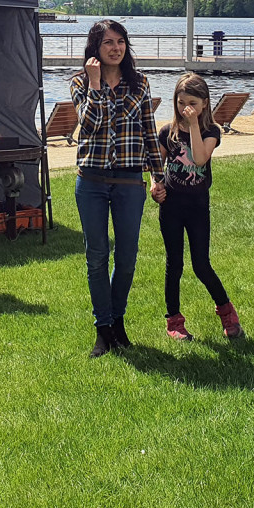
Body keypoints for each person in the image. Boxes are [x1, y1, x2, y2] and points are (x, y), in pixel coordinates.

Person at [71, 20, 165, 357]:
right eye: (107, 42)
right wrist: (95, 84)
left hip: (128, 182)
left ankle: (118, 321)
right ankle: (103, 328)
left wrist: (158, 175)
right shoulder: (80, 82)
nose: (115, 48)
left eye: (120, 41)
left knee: (126, 258)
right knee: (96, 257)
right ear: (95, 48)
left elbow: (148, 131)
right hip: (91, 181)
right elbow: (90, 125)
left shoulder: (139, 83)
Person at [151, 73, 242, 341]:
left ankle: (227, 313)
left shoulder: (211, 131)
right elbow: (157, 165)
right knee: (174, 264)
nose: (184, 108)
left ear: (204, 104)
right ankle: (174, 321)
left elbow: (200, 159)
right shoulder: (167, 132)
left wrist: (192, 125)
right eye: (180, 102)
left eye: (191, 102)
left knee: (201, 264)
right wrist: (155, 184)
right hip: (172, 206)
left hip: (198, 205)